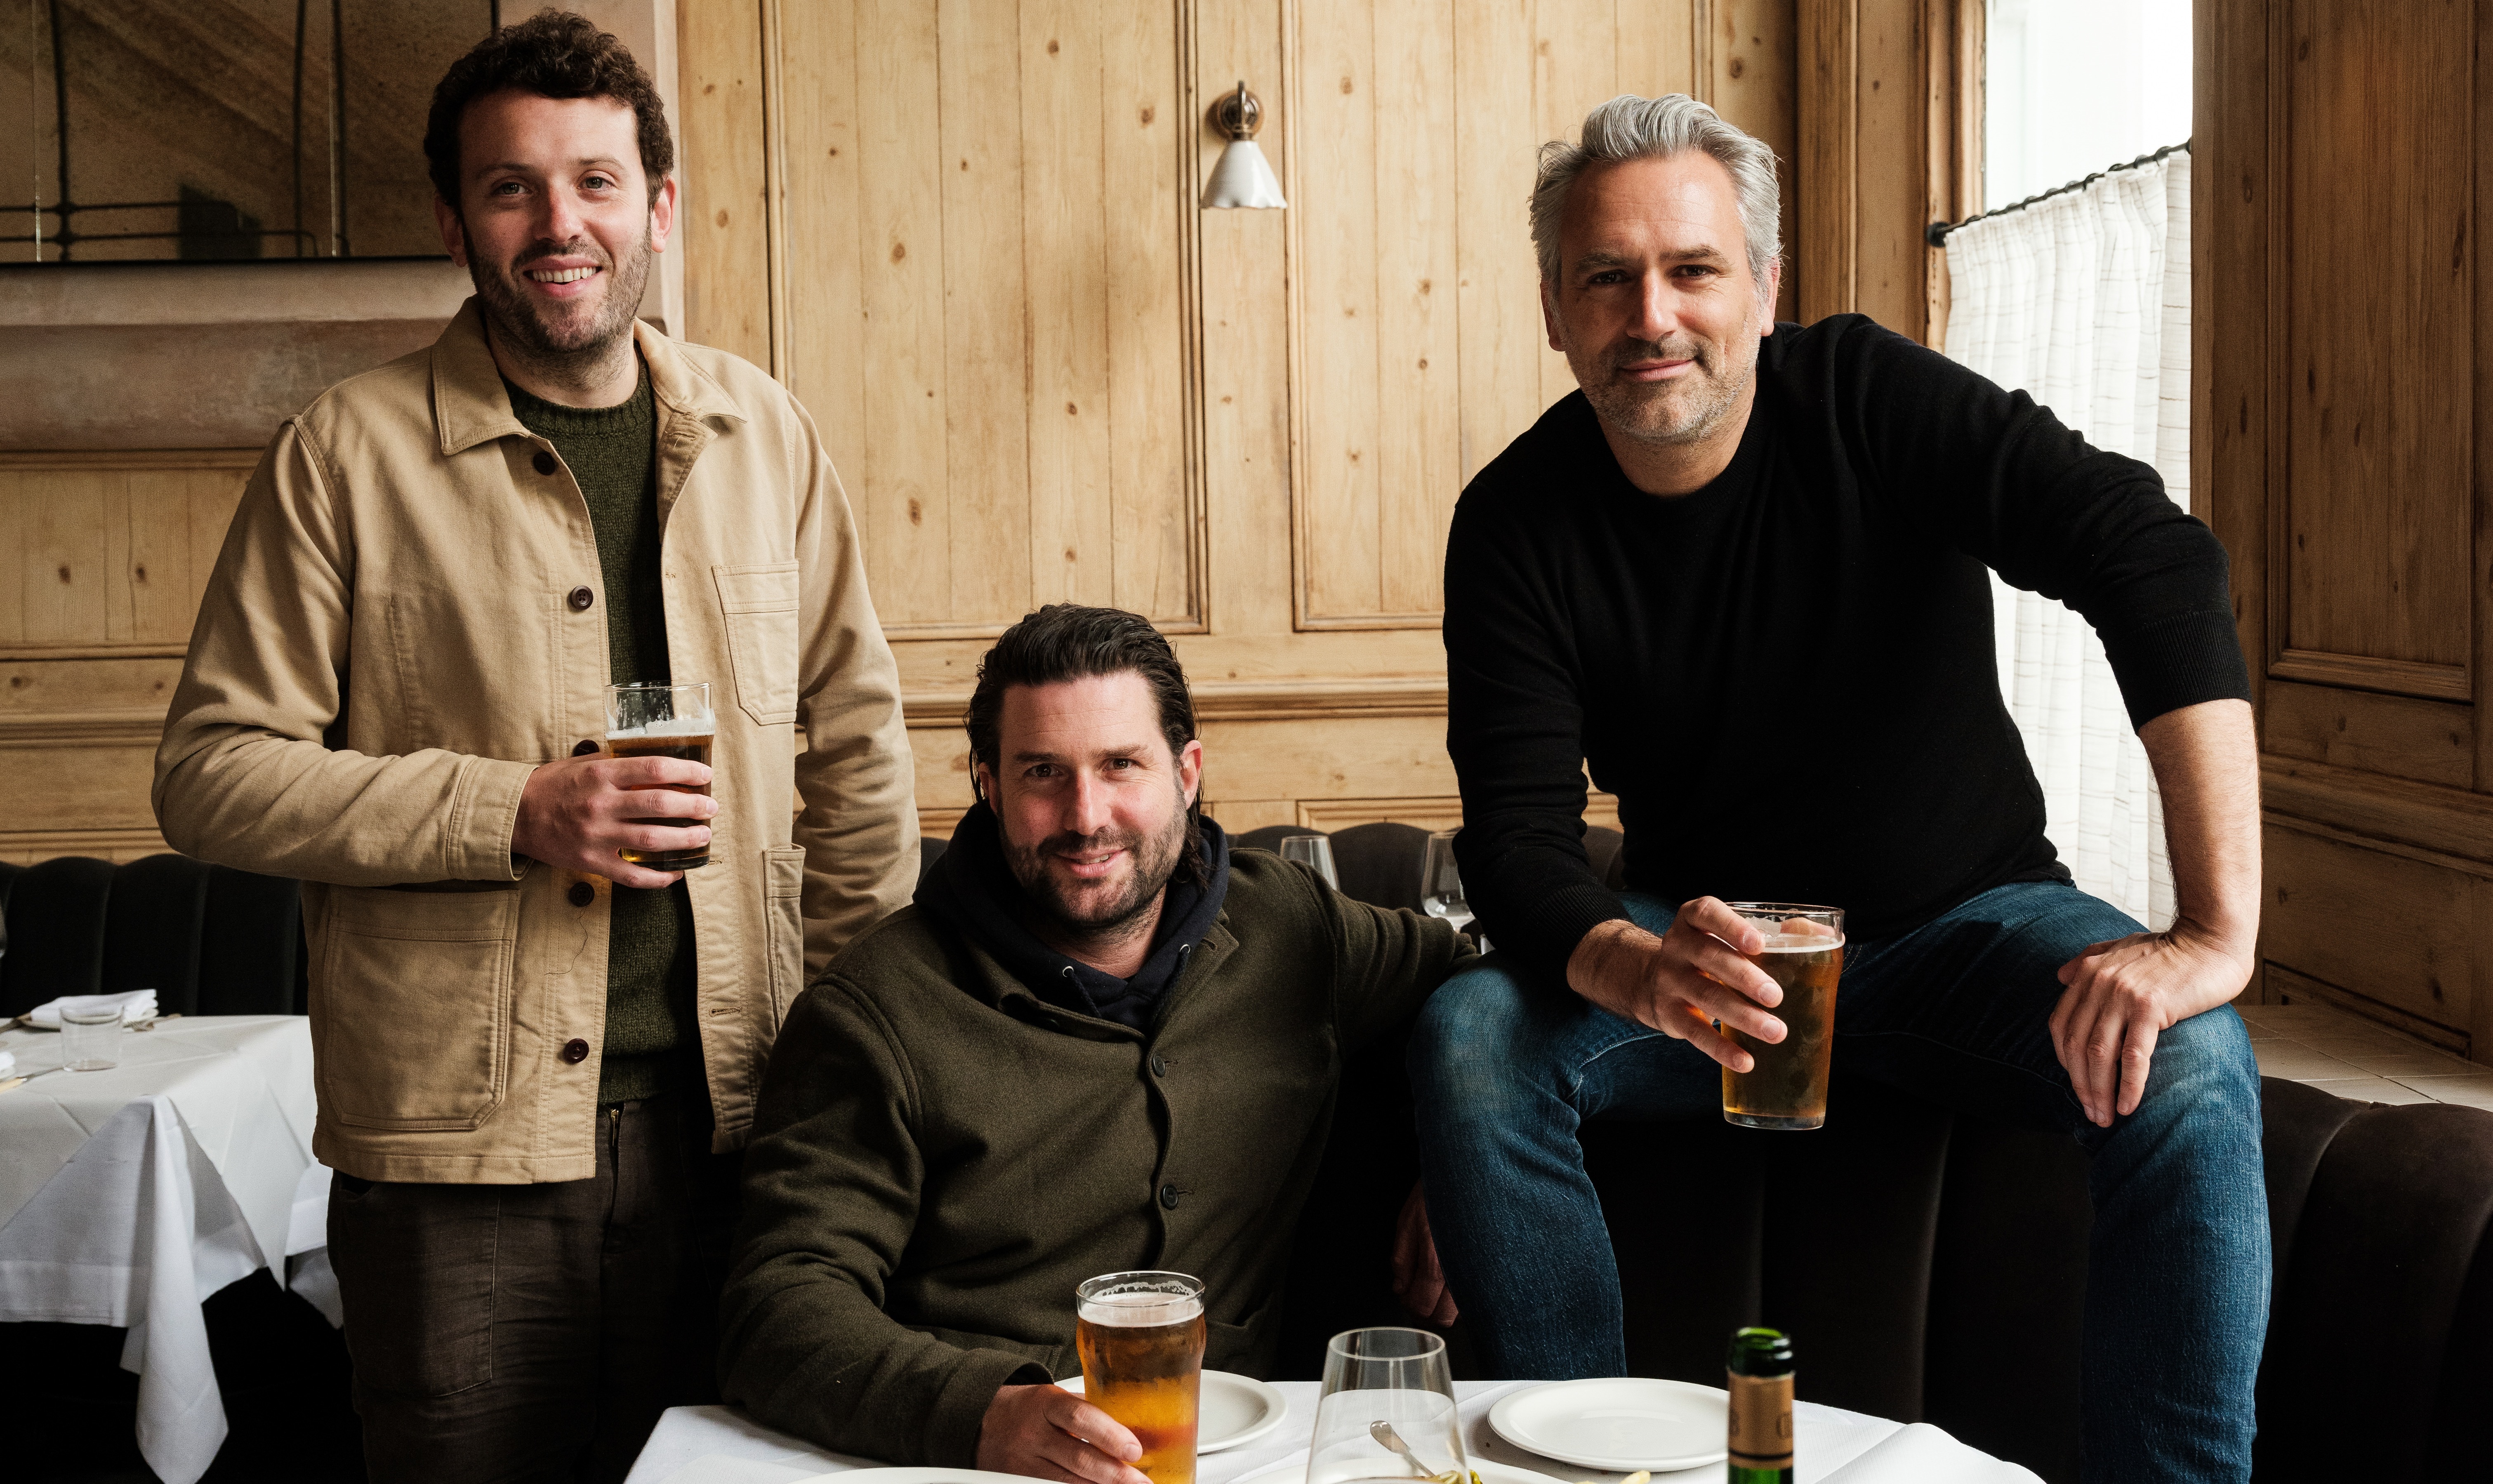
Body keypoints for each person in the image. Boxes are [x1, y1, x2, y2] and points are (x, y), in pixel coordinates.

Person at [1410, 94, 2265, 1481]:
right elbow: (1514, 837)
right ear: (1554, 310)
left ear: (1762, 286)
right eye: (1605, 277)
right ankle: (1560, 1464)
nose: (1651, 315)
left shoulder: (1868, 394)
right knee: (1468, 1039)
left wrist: (2214, 933)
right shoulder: (1514, 518)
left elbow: (2152, 557)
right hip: (1715, 966)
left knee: (2191, 1057)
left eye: (1690, 269)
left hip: (1967, 927)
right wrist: (1641, 968)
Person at [151, 13, 917, 1481]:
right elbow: (209, 770)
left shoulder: (768, 435)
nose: (558, 223)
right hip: (458, 1162)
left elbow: (859, 749)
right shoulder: (345, 453)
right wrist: (513, 809)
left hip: (744, 1127)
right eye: (511, 188)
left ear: (658, 208)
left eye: (595, 181)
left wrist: (860, 1048)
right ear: (455, 217)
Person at [718, 604, 1471, 1478]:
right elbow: (777, 1305)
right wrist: (981, 1413)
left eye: (1121, 764)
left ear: (1186, 772)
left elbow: (1471, 985)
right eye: (1043, 772)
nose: (1085, 815)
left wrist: (1460, 1156)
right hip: (968, 1466)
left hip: (1248, 1456)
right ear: (990, 784)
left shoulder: (1292, 924)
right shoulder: (874, 1008)